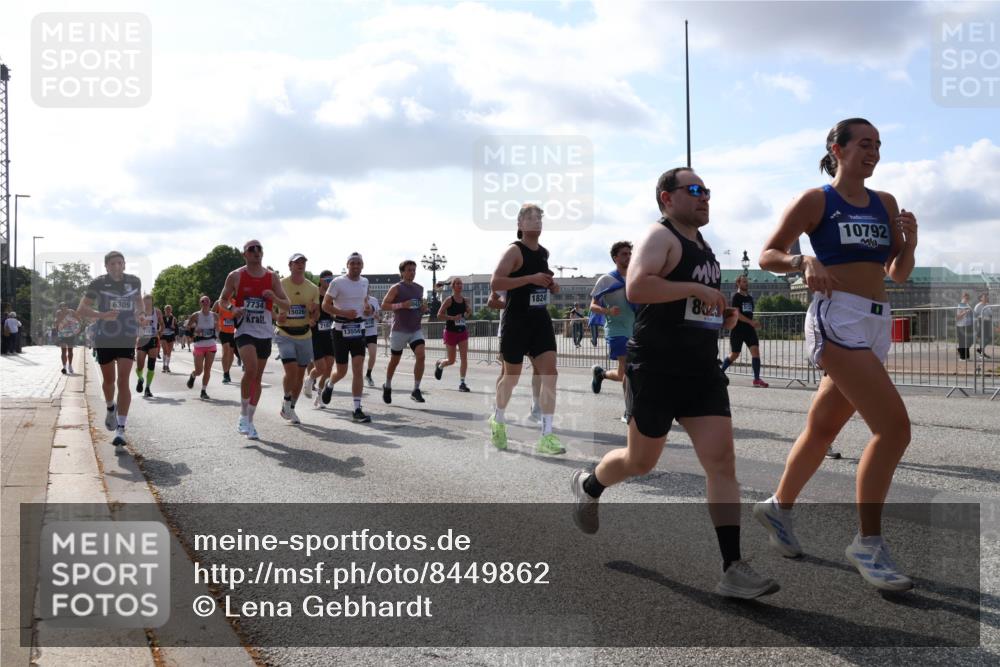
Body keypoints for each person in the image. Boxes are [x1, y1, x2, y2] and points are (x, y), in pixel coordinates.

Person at [569, 167, 777, 599]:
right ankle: (590, 485)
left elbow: (693, 306)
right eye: (695, 190)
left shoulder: (705, 249)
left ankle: (732, 567)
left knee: (722, 463)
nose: (705, 198)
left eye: (708, 191)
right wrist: (694, 291)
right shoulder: (659, 237)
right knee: (640, 461)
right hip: (657, 367)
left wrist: (723, 318)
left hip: (701, 368)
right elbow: (639, 287)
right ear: (667, 197)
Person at [754, 118, 918, 592]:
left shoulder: (884, 202)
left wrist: (908, 243)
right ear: (837, 148)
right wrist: (801, 260)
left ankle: (777, 507)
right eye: (864, 144)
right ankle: (868, 542)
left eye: (878, 145)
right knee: (893, 429)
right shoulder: (816, 201)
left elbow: (898, 273)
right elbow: (768, 254)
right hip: (837, 317)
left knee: (824, 428)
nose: (874, 152)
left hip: (876, 320)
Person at [488, 203, 565, 455]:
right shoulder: (514, 251)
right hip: (516, 321)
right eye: (531, 218)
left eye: (540, 217)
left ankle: (547, 435)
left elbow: (539, 283)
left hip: (539, 320)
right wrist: (529, 279)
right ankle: (498, 419)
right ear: (520, 224)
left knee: (550, 373)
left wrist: (551, 286)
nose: (537, 221)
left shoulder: (543, 252)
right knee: (511, 377)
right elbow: (496, 282)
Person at [219, 240, 291, 440]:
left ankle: (250, 420)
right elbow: (222, 300)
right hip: (244, 330)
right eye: (252, 249)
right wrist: (233, 309)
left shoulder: (272, 277)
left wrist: (274, 299)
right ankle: (242, 414)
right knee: (250, 369)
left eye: (260, 249)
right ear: (245, 254)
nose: (257, 252)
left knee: (257, 378)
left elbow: (287, 304)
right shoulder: (235, 276)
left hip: (265, 332)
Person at [77, 251, 143, 448]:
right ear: (106, 266)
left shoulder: (134, 281)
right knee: (109, 381)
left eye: (120, 263)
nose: (116, 266)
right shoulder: (97, 283)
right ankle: (109, 407)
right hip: (104, 336)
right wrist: (102, 315)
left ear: (124, 264)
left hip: (127, 336)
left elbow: (138, 301)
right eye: (112, 264)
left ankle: (121, 429)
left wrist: (140, 314)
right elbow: (82, 309)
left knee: (123, 380)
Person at [322, 253, 373, 423]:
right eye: (352, 263)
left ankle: (357, 409)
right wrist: (344, 313)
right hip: (339, 329)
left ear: (362, 265)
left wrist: (367, 309)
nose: (355, 266)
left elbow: (364, 301)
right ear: (347, 265)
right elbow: (325, 305)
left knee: (358, 369)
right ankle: (330, 383)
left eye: (358, 263)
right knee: (342, 371)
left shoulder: (365, 282)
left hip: (358, 329)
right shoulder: (338, 282)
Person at [589, 241, 635, 424]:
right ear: (615, 258)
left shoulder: (636, 277)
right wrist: (607, 311)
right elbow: (593, 305)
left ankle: (601, 374)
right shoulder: (607, 279)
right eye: (624, 254)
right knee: (628, 372)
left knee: (625, 373)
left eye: (630, 253)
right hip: (616, 329)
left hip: (635, 328)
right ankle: (629, 411)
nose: (628, 257)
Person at [275, 253, 319, 424]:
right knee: (291, 371)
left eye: (303, 262)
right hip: (285, 333)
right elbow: (268, 306)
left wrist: (313, 314)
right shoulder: (280, 284)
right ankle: (286, 399)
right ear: (290, 266)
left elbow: (316, 312)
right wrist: (275, 317)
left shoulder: (312, 288)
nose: (300, 265)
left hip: (304, 335)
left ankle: (291, 408)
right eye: (296, 262)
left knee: (300, 376)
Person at [381, 260, 429, 404]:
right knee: (395, 361)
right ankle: (387, 385)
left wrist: (422, 308)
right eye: (409, 270)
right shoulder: (396, 288)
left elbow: (419, 306)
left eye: (414, 270)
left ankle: (416, 389)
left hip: (415, 329)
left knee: (421, 356)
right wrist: (403, 305)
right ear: (402, 272)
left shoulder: (419, 288)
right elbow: (384, 305)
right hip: (399, 330)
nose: (412, 273)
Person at [720, 275, 769, 387]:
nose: (747, 283)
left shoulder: (750, 298)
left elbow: (749, 314)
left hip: (749, 330)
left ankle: (756, 379)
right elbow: (738, 314)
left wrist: (754, 323)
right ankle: (720, 372)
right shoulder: (736, 297)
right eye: (744, 282)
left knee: (755, 351)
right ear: (738, 283)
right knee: (735, 354)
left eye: (747, 282)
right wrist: (751, 322)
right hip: (738, 329)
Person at [434, 278, 473, 392]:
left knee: (464, 358)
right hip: (450, 332)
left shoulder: (466, 300)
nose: (460, 285)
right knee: (451, 360)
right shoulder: (449, 300)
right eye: (457, 284)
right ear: (453, 286)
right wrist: (452, 318)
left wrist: (469, 312)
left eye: (461, 284)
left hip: (462, 332)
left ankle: (462, 383)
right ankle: (440, 365)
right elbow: (439, 315)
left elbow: (468, 315)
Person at [306, 270, 335, 407]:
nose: (329, 282)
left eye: (331, 279)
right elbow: (305, 309)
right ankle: (310, 378)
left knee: (329, 367)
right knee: (321, 367)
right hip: (315, 334)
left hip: (329, 335)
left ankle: (320, 396)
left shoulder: (333, 295)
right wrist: (309, 319)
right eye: (326, 279)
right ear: (321, 280)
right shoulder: (314, 293)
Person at [185, 295, 218, 399]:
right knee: (199, 371)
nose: (205, 303)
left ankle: (203, 391)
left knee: (207, 369)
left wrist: (216, 333)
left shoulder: (215, 316)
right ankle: (193, 375)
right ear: (200, 303)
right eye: (203, 301)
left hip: (211, 345)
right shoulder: (196, 315)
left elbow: (218, 329)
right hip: (199, 345)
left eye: (207, 301)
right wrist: (194, 332)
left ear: (210, 303)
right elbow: (188, 328)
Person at [134, 295, 164, 398]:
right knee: (139, 366)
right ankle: (141, 379)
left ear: (152, 301)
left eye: (149, 301)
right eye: (145, 301)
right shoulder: (138, 312)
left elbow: (162, 325)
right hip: (142, 340)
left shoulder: (157, 312)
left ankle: (147, 388)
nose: (147, 303)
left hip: (153, 340)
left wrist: (158, 333)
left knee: (151, 365)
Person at [214, 297, 240, 384]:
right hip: (223, 331)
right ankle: (225, 374)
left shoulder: (235, 302)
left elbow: (239, 314)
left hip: (232, 331)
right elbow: (212, 313)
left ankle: (227, 371)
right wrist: (217, 321)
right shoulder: (219, 302)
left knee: (231, 354)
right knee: (226, 350)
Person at [54, 303, 82, 374]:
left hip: (70, 334)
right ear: (60, 308)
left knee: (70, 351)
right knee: (63, 351)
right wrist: (63, 315)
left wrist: (77, 328)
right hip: (62, 335)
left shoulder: (72, 312)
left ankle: (70, 365)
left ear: (67, 306)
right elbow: (56, 322)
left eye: (65, 306)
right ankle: (64, 367)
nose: (64, 308)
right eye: (62, 306)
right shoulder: (58, 313)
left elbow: (79, 320)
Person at [364, 293, 381, 388]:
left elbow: (379, 317)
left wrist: (374, 314)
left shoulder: (374, 300)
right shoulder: (356, 299)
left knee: (373, 354)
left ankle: (368, 374)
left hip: (372, 333)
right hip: (360, 332)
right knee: (359, 358)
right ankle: (357, 377)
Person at [975, 292, 993, 359]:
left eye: (986, 297)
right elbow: (975, 315)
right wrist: (981, 317)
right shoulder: (978, 306)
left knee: (989, 338)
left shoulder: (988, 305)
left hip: (988, 323)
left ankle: (981, 350)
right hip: (981, 323)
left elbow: (990, 314)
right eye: (984, 297)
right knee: (983, 338)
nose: (986, 298)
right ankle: (981, 354)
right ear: (981, 298)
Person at [955, 292, 974, 361]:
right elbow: (957, 317)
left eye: (968, 298)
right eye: (965, 297)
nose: (967, 299)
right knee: (963, 341)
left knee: (969, 340)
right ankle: (962, 357)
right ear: (962, 297)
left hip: (968, 325)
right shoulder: (960, 305)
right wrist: (964, 312)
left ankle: (966, 355)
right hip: (961, 326)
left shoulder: (968, 305)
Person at [160, 305, 177, 373]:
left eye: (169, 309)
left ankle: (167, 365)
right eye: (166, 309)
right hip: (163, 335)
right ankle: (164, 365)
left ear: (171, 310)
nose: (168, 311)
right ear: (164, 310)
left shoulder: (173, 318)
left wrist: (174, 327)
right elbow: (160, 326)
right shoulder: (161, 317)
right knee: (165, 350)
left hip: (171, 335)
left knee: (169, 352)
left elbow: (176, 327)